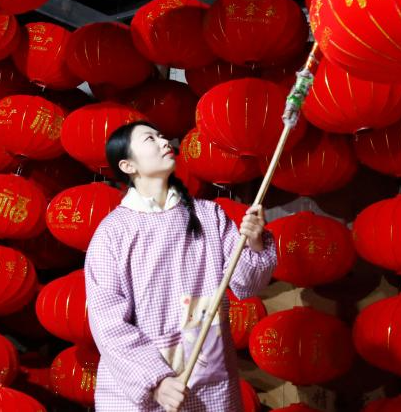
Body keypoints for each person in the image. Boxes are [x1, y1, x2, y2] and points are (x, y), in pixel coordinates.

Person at [85, 121, 277, 412]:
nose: (164, 142)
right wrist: (156, 381)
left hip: (209, 375)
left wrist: (254, 242)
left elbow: (246, 284)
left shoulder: (209, 215)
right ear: (127, 165)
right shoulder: (113, 232)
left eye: (162, 135)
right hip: (143, 388)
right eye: (150, 139)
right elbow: (107, 323)